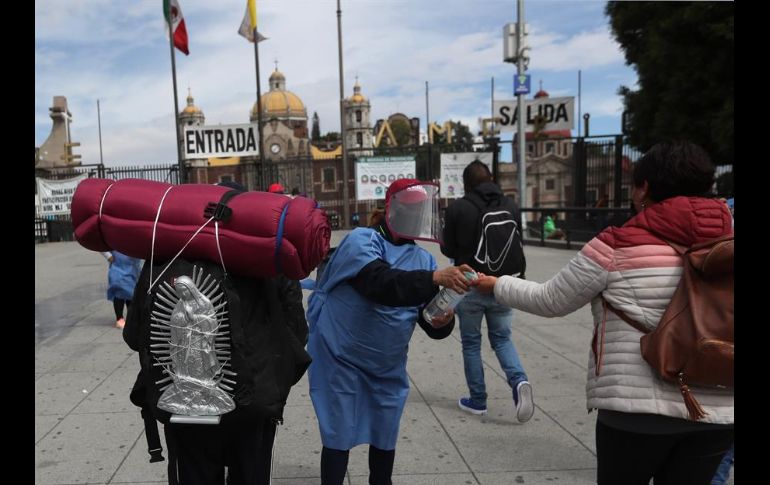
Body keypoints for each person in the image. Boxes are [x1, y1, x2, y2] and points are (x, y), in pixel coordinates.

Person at [475, 141, 734, 484]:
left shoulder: (617, 244)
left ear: (645, 189)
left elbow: (551, 300)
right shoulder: (728, 246)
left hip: (636, 410)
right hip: (719, 409)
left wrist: (495, 284)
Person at [124, 180, 311, 484]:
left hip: (185, 408)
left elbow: (135, 335)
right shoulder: (267, 255)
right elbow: (297, 333)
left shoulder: (164, 257)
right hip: (254, 402)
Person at [306, 178, 474, 485]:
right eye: (409, 210)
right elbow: (380, 283)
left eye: (419, 211)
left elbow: (426, 317)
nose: (414, 217)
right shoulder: (362, 241)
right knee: (338, 433)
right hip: (341, 358)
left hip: (386, 367)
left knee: (385, 434)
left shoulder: (422, 259)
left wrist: (442, 320)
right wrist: (435, 277)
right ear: (390, 210)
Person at [440, 160, 534, 422]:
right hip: (502, 284)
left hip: (469, 285)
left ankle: (478, 400)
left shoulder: (459, 208)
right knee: (502, 339)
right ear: (491, 178)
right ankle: (519, 382)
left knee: (471, 343)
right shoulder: (511, 205)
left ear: (466, 184)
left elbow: (448, 250)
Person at [101, 250, 142, 329]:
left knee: (131, 293)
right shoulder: (114, 237)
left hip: (133, 267)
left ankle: (131, 318)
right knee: (119, 291)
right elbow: (100, 244)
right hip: (118, 266)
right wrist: (108, 255)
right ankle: (119, 318)